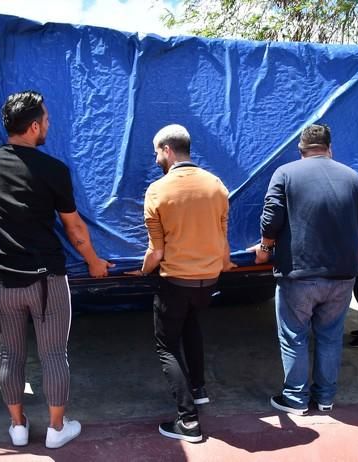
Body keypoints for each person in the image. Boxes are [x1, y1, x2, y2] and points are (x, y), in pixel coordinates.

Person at [0, 90, 113, 449]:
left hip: (2, 281)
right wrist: (95, 262)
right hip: (46, 279)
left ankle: (17, 427)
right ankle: (55, 429)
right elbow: (75, 229)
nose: (49, 124)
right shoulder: (53, 170)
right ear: (34, 127)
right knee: (53, 355)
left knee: (12, 355)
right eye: (46, 120)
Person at [253, 124, 358, 415]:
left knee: (294, 335)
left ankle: (295, 399)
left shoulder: (286, 174)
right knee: (330, 335)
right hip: (343, 274)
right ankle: (326, 398)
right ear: (330, 147)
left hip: (299, 273)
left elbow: (271, 219)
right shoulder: (353, 178)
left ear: (301, 149)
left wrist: (265, 248)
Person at [134, 124, 234, 443]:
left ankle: (188, 421)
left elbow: (156, 251)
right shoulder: (217, 186)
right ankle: (199, 389)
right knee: (191, 325)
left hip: (174, 281)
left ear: (167, 150)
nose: (155, 160)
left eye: (156, 154)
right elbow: (222, 243)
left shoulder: (157, 191)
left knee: (166, 345)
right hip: (207, 282)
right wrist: (225, 265)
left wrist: (142, 270)